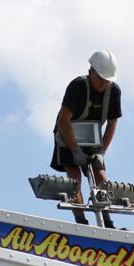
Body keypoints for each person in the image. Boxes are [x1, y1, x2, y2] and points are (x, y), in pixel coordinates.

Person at [52, 50, 122, 226]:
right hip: (67, 133)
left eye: (107, 80)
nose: (103, 84)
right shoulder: (77, 87)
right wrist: (75, 150)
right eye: (100, 79)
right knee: (75, 178)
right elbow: (63, 119)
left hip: (93, 136)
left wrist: (101, 151)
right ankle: (81, 222)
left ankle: (108, 222)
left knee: (99, 176)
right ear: (91, 71)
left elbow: (112, 123)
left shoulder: (114, 91)